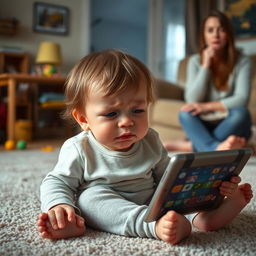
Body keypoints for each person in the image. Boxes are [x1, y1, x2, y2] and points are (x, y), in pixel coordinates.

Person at [37, 50, 253, 245]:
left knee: (172, 193)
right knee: (88, 199)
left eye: (137, 111)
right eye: (111, 114)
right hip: (110, 203)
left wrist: (211, 188)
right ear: (83, 119)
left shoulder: (150, 139)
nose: (127, 122)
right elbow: (56, 181)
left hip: (152, 200)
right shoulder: (79, 148)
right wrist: (59, 206)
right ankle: (152, 227)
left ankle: (206, 217)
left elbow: (168, 177)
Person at [164, 10, 252, 152]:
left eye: (221, 30)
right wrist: (205, 66)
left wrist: (206, 107)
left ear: (228, 35)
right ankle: (215, 147)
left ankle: (193, 145)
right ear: (204, 36)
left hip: (230, 123)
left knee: (241, 114)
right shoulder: (194, 61)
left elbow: (241, 99)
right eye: (210, 30)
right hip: (205, 123)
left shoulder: (243, 61)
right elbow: (191, 99)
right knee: (184, 113)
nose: (216, 35)